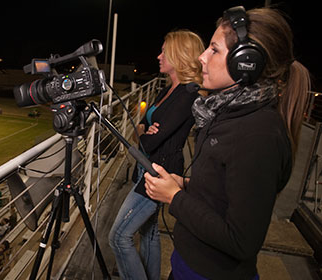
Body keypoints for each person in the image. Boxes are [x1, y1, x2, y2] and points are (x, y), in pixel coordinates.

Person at [144, 7, 310, 280]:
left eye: (214, 50)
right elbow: (224, 190)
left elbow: (240, 240)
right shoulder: (227, 112)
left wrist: (174, 197)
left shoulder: (259, 134)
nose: (202, 57)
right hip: (188, 265)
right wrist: (185, 185)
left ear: (246, 62)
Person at [109, 30, 204, 280]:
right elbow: (140, 126)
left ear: (179, 55)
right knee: (148, 232)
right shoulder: (167, 90)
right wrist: (142, 130)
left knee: (118, 236)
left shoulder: (188, 94)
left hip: (160, 172)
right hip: (145, 167)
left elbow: (150, 141)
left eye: (164, 51)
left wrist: (142, 132)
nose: (158, 55)